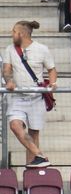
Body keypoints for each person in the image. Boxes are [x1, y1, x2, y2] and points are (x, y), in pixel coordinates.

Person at [2, 21, 55, 168]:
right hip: (17, 96)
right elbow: (6, 70)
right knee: (15, 125)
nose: (12, 35)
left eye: (14, 32)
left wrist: (53, 83)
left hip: (36, 96)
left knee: (34, 133)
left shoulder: (42, 49)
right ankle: (40, 155)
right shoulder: (10, 49)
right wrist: (9, 80)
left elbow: (51, 69)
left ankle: (34, 165)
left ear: (22, 34)